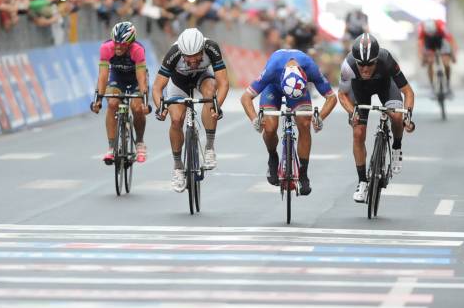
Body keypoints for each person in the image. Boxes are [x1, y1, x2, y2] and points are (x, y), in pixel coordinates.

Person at [239, 48, 338, 196]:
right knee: (270, 127)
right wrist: (254, 119)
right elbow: (245, 98)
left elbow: (332, 97)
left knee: (304, 124)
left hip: (299, 92)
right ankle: (273, 157)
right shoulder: (272, 69)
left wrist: (320, 118)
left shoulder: (310, 68)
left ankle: (303, 174)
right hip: (273, 88)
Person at [338, 34, 415, 203]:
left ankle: (396, 147)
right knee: (358, 132)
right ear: (355, 62)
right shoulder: (348, 65)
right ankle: (362, 182)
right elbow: (342, 95)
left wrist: (407, 114)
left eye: (370, 64)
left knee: (396, 115)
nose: (365, 69)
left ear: (376, 60)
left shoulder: (387, 60)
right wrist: (352, 112)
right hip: (360, 91)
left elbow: (408, 91)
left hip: (385, 86)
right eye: (361, 65)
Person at [152, 28, 229, 192]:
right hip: (178, 83)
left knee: (210, 93)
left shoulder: (211, 47)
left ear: (202, 49)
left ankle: (209, 147)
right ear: (181, 52)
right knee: (176, 120)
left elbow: (223, 83)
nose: (193, 60)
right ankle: (178, 167)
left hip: (202, 78)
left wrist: (217, 106)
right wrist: (161, 107)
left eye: (196, 55)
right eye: (188, 56)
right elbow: (157, 87)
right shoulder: (173, 53)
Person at [90, 21, 150, 164]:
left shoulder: (137, 50)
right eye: (115, 42)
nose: (117, 46)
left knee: (137, 107)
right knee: (112, 103)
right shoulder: (106, 48)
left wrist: (145, 103)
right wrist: (98, 99)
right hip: (117, 77)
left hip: (135, 78)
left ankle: (140, 143)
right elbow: (103, 76)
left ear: (130, 43)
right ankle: (111, 147)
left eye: (122, 44)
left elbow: (141, 78)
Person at [417, 18, 458, 97]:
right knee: (430, 62)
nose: (431, 34)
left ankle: (448, 85)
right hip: (429, 42)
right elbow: (420, 46)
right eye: (429, 33)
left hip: (441, 40)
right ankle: (432, 87)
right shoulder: (421, 29)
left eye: (433, 32)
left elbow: (450, 40)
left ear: (435, 28)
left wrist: (453, 55)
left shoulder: (441, 26)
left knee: (446, 63)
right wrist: (422, 58)